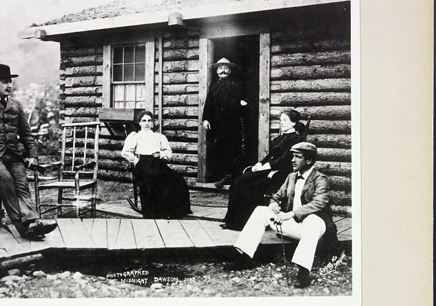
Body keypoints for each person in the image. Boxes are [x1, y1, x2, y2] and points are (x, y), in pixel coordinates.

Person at [0, 63, 57, 239]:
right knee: (6, 182)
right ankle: (24, 227)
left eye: (10, 81)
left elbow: (26, 134)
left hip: (13, 155)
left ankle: (32, 222)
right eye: (5, 81)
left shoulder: (16, 105)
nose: (9, 85)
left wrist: (32, 155)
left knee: (22, 184)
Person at [234, 142, 336, 288]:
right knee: (261, 211)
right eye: (292, 156)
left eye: (297, 157)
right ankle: (244, 256)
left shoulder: (321, 179)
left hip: (314, 227)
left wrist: (291, 214)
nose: (292, 160)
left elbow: (319, 203)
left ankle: (303, 272)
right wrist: (273, 204)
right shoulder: (292, 177)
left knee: (313, 221)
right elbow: (277, 196)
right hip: (293, 226)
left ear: (309, 160)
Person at [221, 109, 303, 230]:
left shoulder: (294, 139)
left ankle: (241, 223)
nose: (281, 122)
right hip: (269, 169)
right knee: (236, 182)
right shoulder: (279, 139)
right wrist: (259, 164)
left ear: (294, 123)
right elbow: (270, 156)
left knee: (244, 184)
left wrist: (267, 166)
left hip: (280, 172)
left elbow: (285, 159)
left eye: (285, 120)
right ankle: (232, 220)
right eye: (281, 120)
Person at [121, 111, 191, 219]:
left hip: (157, 163)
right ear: (139, 123)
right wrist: (135, 160)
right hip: (143, 164)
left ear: (152, 123)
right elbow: (125, 152)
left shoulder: (158, 136)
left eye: (149, 120)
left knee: (177, 179)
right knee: (153, 181)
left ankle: (171, 211)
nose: (147, 123)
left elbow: (169, 152)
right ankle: (153, 211)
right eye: (144, 121)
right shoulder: (135, 136)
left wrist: (161, 154)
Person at [202, 57, 248, 187]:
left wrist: (242, 105)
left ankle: (232, 177)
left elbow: (245, 103)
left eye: (226, 68)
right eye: (220, 68)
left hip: (233, 124)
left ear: (230, 70)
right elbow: (208, 103)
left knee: (233, 150)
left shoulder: (237, 84)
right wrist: (205, 119)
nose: (223, 70)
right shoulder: (214, 85)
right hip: (217, 125)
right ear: (217, 71)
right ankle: (220, 176)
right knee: (218, 150)